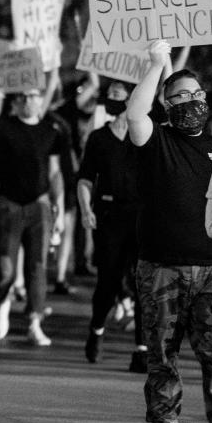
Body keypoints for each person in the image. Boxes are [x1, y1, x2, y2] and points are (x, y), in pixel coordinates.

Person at [126, 40, 212, 423]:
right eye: (178, 97)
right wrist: (155, 64)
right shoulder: (155, 139)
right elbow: (135, 113)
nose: (189, 102)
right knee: (163, 350)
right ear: (166, 105)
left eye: (195, 95)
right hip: (160, 265)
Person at [0, 87, 64, 346]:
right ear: (16, 101)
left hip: (39, 205)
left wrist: (60, 206)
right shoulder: (3, 126)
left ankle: (34, 321)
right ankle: (1, 302)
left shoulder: (50, 130)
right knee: (5, 264)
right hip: (8, 203)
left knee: (38, 266)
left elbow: (55, 172)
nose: (28, 100)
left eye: (34, 95)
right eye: (23, 96)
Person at [77, 80, 145, 371]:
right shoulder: (98, 138)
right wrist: (84, 210)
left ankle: (141, 348)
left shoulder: (144, 134)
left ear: (132, 100)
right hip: (108, 215)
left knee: (143, 281)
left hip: (140, 216)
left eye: (119, 96)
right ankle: (97, 330)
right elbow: (84, 179)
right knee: (108, 281)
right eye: (110, 96)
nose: (112, 101)